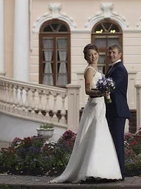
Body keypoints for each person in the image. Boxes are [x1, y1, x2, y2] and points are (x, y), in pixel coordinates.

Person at [50, 44, 122, 183]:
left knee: (101, 135)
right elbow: (87, 90)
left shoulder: (97, 69)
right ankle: (90, 171)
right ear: (86, 57)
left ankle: (104, 171)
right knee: (93, 135)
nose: (93, 56)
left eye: (95, 54)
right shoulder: (89, 70)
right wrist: (101, 92)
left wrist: (106, 91)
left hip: (101, 106)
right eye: (90, 55)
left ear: (98, 54)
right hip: (94, 105)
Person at [105, 44, 131, 181]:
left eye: (114, 52)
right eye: (109, 52)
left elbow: (111, 86)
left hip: (118, 110)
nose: (111, 55)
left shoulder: (120, 69)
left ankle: (120, 173)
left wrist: (100, 89)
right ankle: (113, 171)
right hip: (111, 110)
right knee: (112, 142)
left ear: (120, 54)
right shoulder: (111, 68)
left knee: (117, 142)